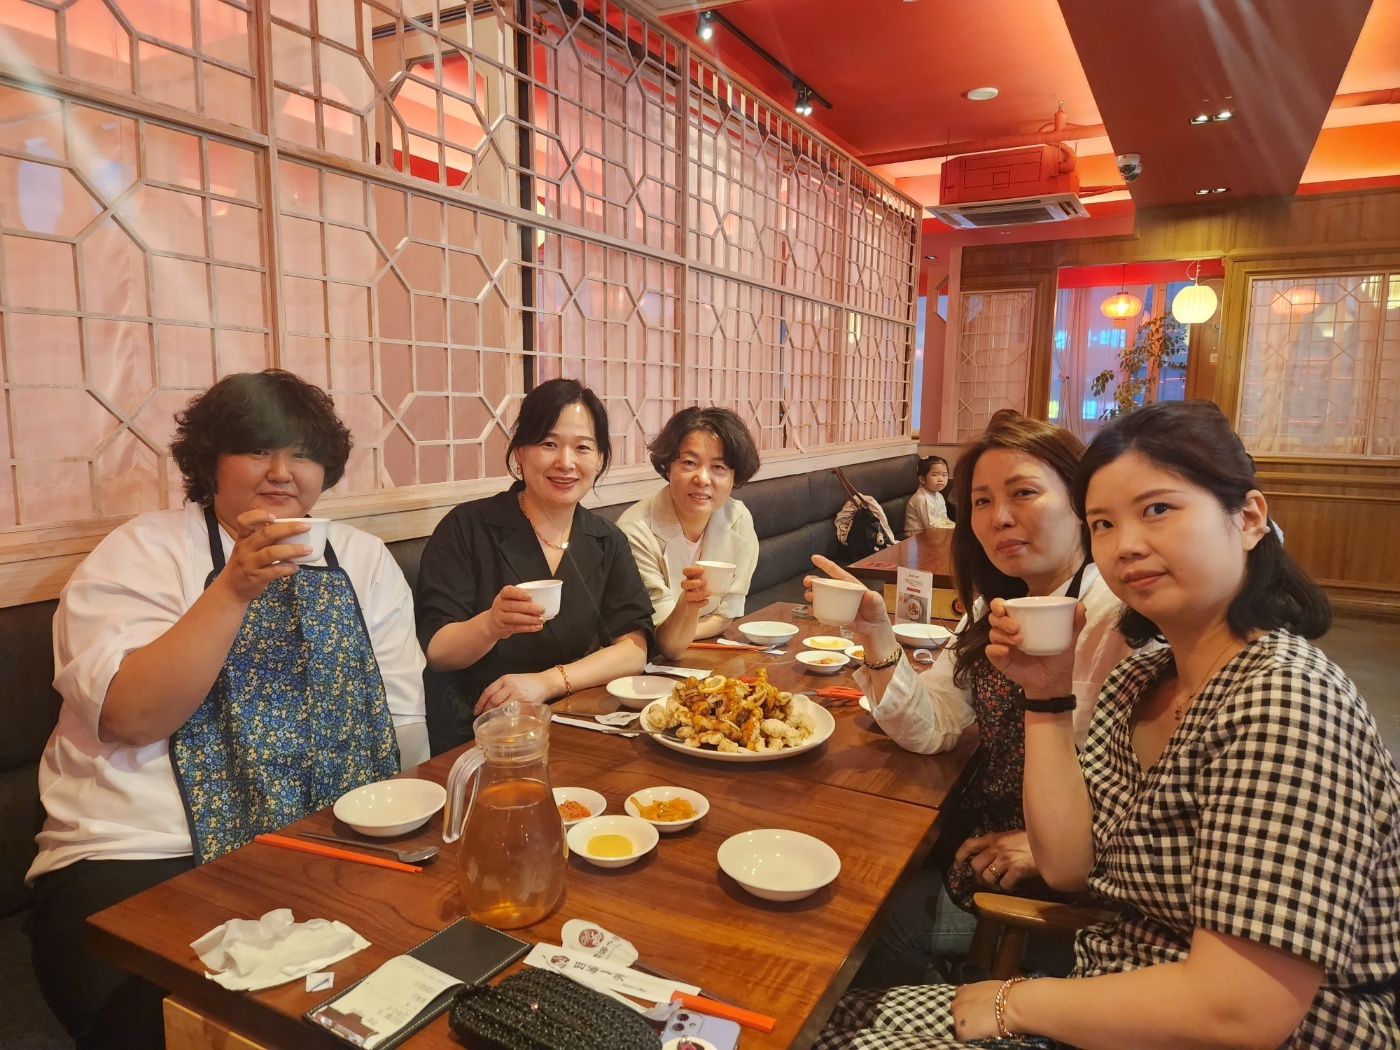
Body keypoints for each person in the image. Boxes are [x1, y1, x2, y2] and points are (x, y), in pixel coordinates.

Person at [816, 400, 1399, 1048]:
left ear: (1249, 518)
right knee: (820, 1020)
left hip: (1218, 1030)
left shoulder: (1285, 701)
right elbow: (1067, 865)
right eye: (1105, 523)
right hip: (1111, 988)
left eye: (1158, 509)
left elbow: (1240, 1012)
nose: (1127, 545)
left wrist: (1015, 1001)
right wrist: (1045, 695)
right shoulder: (1144, 677)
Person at [27, 370, 428, 1050]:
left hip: (321, 840)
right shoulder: (143, 552)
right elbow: (131, 717)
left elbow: (401, 726)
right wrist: (233, 590)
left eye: (302, 454)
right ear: (210, 460)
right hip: (148, 854)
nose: (281, 472)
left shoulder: (361, 559)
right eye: (256, 450)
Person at [808, 413, 1142, 978]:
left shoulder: (1122, 620)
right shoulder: (997, 605)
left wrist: (1053, 847)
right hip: (973, 841)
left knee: (852, 923)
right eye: (981, 501)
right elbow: (932, 727)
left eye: (1023, 493)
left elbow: (1156, 796)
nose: (998, 517)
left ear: (1083, 502)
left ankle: (951, 1000)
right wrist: (876, 634)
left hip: (1062, 897)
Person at [415, 378, 654, 752]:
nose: (566, 462)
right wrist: (491, 625)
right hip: (480, 729)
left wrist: (546, 682)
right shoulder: (468, 527)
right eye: (548, 444)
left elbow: (633, 650)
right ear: (520, 453)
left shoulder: (606, 539)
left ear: (600, 459)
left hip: (575, 718)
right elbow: (437, 651)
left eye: (583, 447)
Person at [616, 407, 761, 660]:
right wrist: (681, 621)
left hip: (709, 653)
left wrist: (681, 630)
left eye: (718, 467)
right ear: (668, 467)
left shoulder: (738, 519)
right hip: (649, 663)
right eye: (689, 463)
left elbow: (727, 615)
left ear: (733, 477)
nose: (702, 479)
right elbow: (665, 640)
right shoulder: (635, 531)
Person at [903, 455, 954, 536]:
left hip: (934, 532)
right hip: (917, 536)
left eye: (944, 475)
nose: (941, 479)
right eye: (935, 475)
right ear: (922, 479)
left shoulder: (939, 495)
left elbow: (944, 519)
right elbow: (931, 526)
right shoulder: (922, 499)